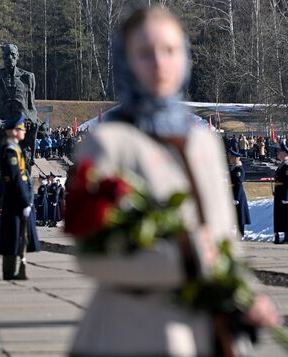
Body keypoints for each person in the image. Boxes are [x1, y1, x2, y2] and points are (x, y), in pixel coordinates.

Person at [68, 7, 280, 356]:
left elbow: (225, 238)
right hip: (132, 331)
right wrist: (183, 262)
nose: (159, 63)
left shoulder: (203, 142)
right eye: (144, 53)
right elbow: (90, 255)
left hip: (207, 330)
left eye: (170, 50)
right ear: (125, 60)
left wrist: (247, 292)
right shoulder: (106, 142)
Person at [0, 113, 40, 280]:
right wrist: (25, 202)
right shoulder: (10, 152)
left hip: (17, 200)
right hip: (15, 201)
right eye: (21, 129)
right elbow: (16, 179)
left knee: (16, 237)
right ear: (13, 131)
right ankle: (10, 271)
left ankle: (12, 271)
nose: (24, 131)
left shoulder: (14, 149)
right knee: (13, 237)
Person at [228, 148, 251, 237]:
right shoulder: (233, 168)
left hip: (238, 195)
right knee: (234, 215)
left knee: (240, 215)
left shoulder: (238, 169)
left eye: (232, 157)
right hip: (232, 194)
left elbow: (238, 184)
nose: (230, 159)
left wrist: (236, 198)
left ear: (237, 158)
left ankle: (241, 233)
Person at [273, 142, 288, 244]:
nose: (278, 153)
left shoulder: (286, 166)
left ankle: (287, 236)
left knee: (285, 215)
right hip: (279, 193)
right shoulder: (281, 165)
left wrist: (286, 197)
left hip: (284, 194)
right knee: (280, 215)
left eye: (280, 151)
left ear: (285, 153)